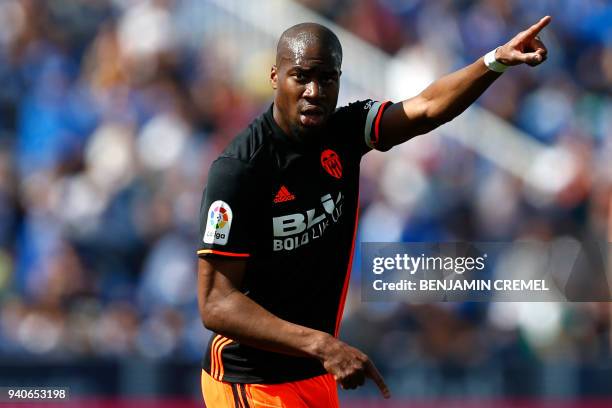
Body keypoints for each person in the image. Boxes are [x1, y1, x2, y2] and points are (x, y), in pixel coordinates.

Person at [197, 17, 551, 407]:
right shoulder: (240, 169)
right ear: (274, 76)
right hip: (248, 379)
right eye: (301, 76)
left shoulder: (343, 132)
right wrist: (321, 343)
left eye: (327, 79)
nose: (314, 91)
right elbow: (216, 302)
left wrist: (495, 61)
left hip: (313, 374)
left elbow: (427, 108)